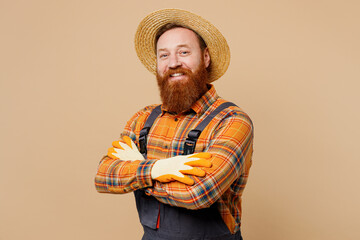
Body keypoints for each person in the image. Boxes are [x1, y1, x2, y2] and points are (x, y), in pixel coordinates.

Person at [95, 8, 254, 240]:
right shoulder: (143, 119)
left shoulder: (232, 121)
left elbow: (198, 193)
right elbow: (103, 176)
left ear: (206, 57)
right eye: (164, 55)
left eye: (184, 52)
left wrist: (138, 170)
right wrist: (158, 169)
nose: (173, 63)